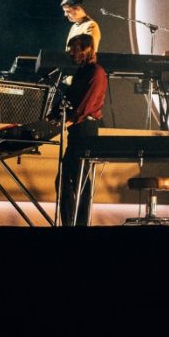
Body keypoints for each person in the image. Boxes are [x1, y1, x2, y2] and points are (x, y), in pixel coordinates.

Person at [56, 33, 109, 226]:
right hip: (76, 131)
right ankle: (69, 224)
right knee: (64, 181)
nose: (71, 52)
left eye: (74, 49)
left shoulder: (97, 72)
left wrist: (67, 122)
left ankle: (80, 225)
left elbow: (85, 107)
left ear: (87, 50)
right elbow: (69, 100)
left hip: (86, 129)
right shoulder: (81, 73)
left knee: (81, 183)